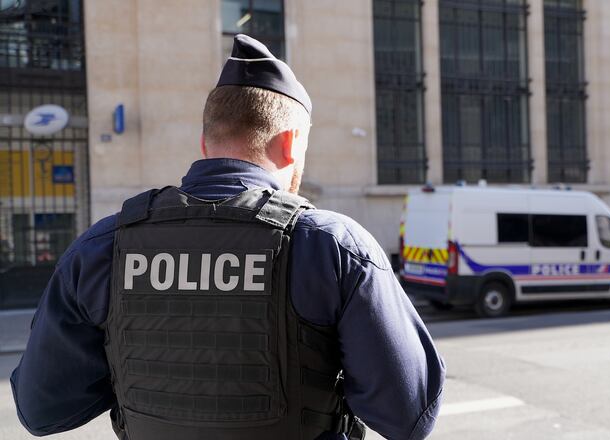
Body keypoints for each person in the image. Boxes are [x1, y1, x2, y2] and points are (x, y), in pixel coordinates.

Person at [11, 34, 445, 440]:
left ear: (205, 142)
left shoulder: (102, 247)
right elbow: (409, 414)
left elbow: (42, 408)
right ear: (291, 143)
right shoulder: (332, 247)